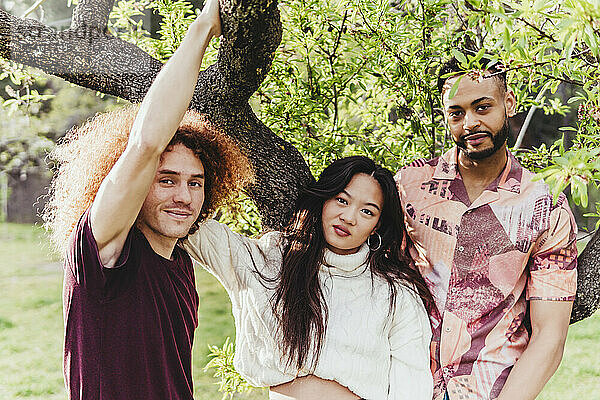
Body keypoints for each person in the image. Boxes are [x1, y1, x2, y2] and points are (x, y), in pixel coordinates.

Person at [42, 1, 253, 398]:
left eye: (196, 182)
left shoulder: (180, 266)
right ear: (138, 185)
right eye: (167, 180)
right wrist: (205, 26)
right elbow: (145, 143)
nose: (184, 196)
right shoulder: (101, 251)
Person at [395, 57, 578, 400]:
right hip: (405, 380)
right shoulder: (408, 187)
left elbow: (550, 337)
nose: (470, 123)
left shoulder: (545, 206)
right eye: (457, 113)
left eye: (482, 107)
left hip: (490, 387)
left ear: (508, 103)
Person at [183, 155, 435, 399]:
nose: (348, 217)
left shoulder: (394, 292)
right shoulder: (272, 261)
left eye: (367, 212)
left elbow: (411, 384)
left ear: (378, 225)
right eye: (341, 200)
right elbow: (188, 225)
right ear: (324, 199)